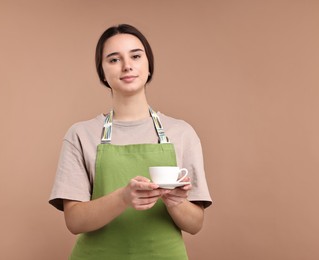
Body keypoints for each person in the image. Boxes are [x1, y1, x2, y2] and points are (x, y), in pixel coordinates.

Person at [49, 24, 212, 260]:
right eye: (114, 60)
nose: (127, 65)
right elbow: (74, 220)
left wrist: (175, 202)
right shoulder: (81, 135)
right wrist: (123, 197)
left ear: (148, 66)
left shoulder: (182, 133)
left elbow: (196, 224)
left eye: (136, 56)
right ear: (102, 73)